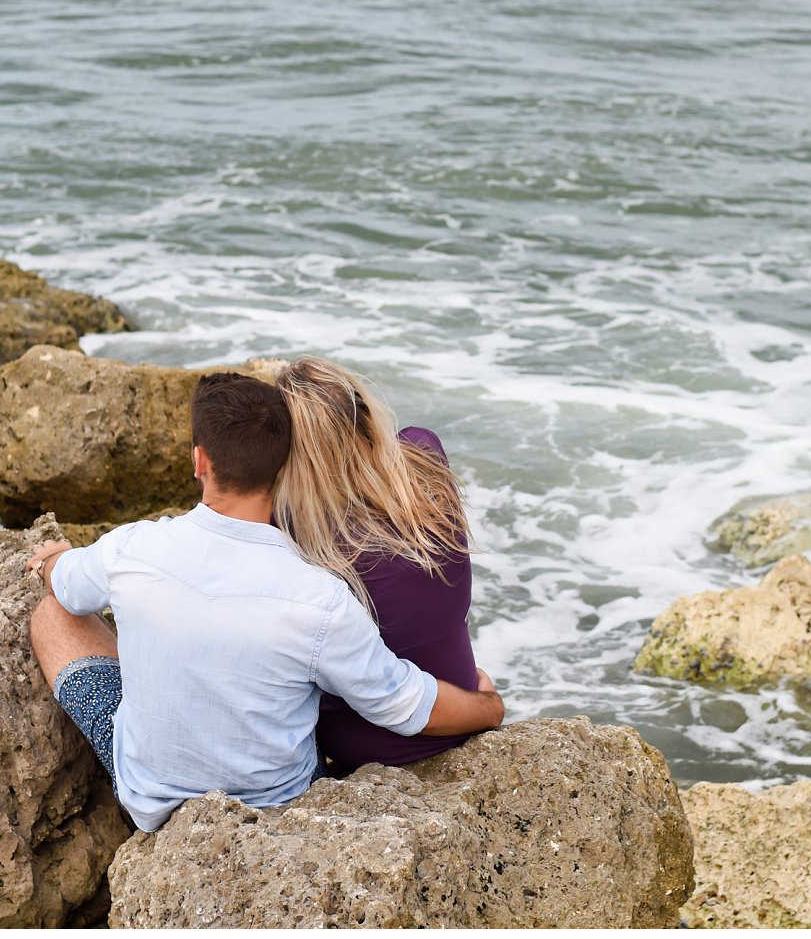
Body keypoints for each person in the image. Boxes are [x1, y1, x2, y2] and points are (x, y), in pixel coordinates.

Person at [26, 371, 503, 832]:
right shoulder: (322, 596)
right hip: (276, 809)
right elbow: (400, 702)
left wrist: (54, 559)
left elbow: (65, 586)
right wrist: (488, 708)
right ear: (283, 466)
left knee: (54, 615)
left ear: (199, 462)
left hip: (152, 798)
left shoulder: (130, 548)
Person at [270, 357, 480, 774]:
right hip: (463, 707)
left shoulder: (292, 527)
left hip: (366, 747)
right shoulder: (426, 456)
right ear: (363, 413)